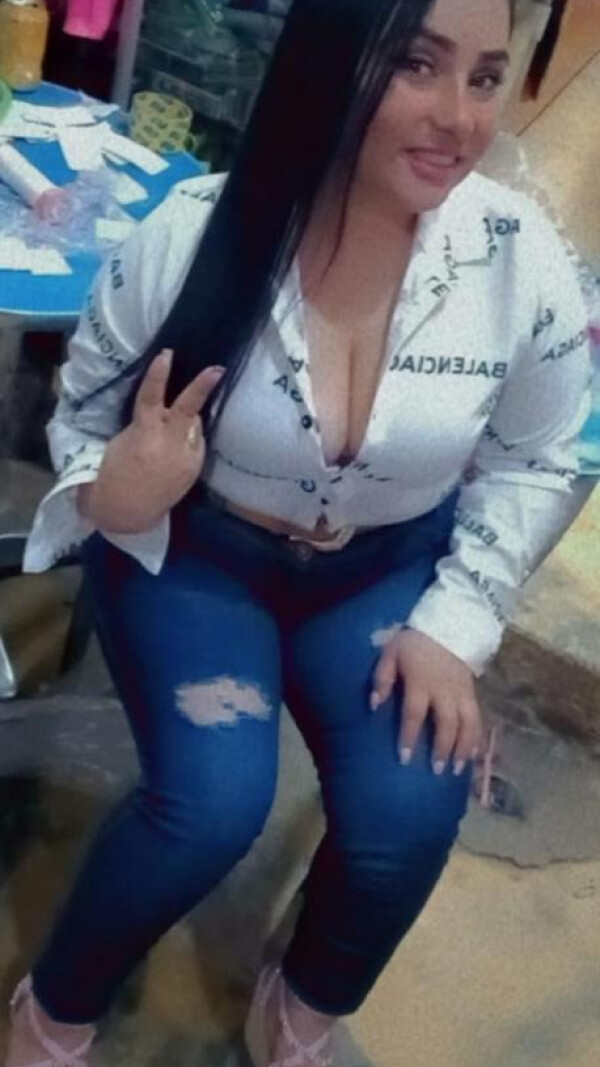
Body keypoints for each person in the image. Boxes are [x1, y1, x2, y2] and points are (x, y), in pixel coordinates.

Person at [6, 0, 592, 1064]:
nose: (460, 118)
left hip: (382, 573)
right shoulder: (193, 234)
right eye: (417, 65)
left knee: (413, 805)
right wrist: (112, 490)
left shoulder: (520, 259)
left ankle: (305, 998)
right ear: (334, 62)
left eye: (484, 76)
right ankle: (55, 1005)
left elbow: (542, 454)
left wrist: (458, 621)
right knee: (210, 806)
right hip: (200, 557)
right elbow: (83, 414)